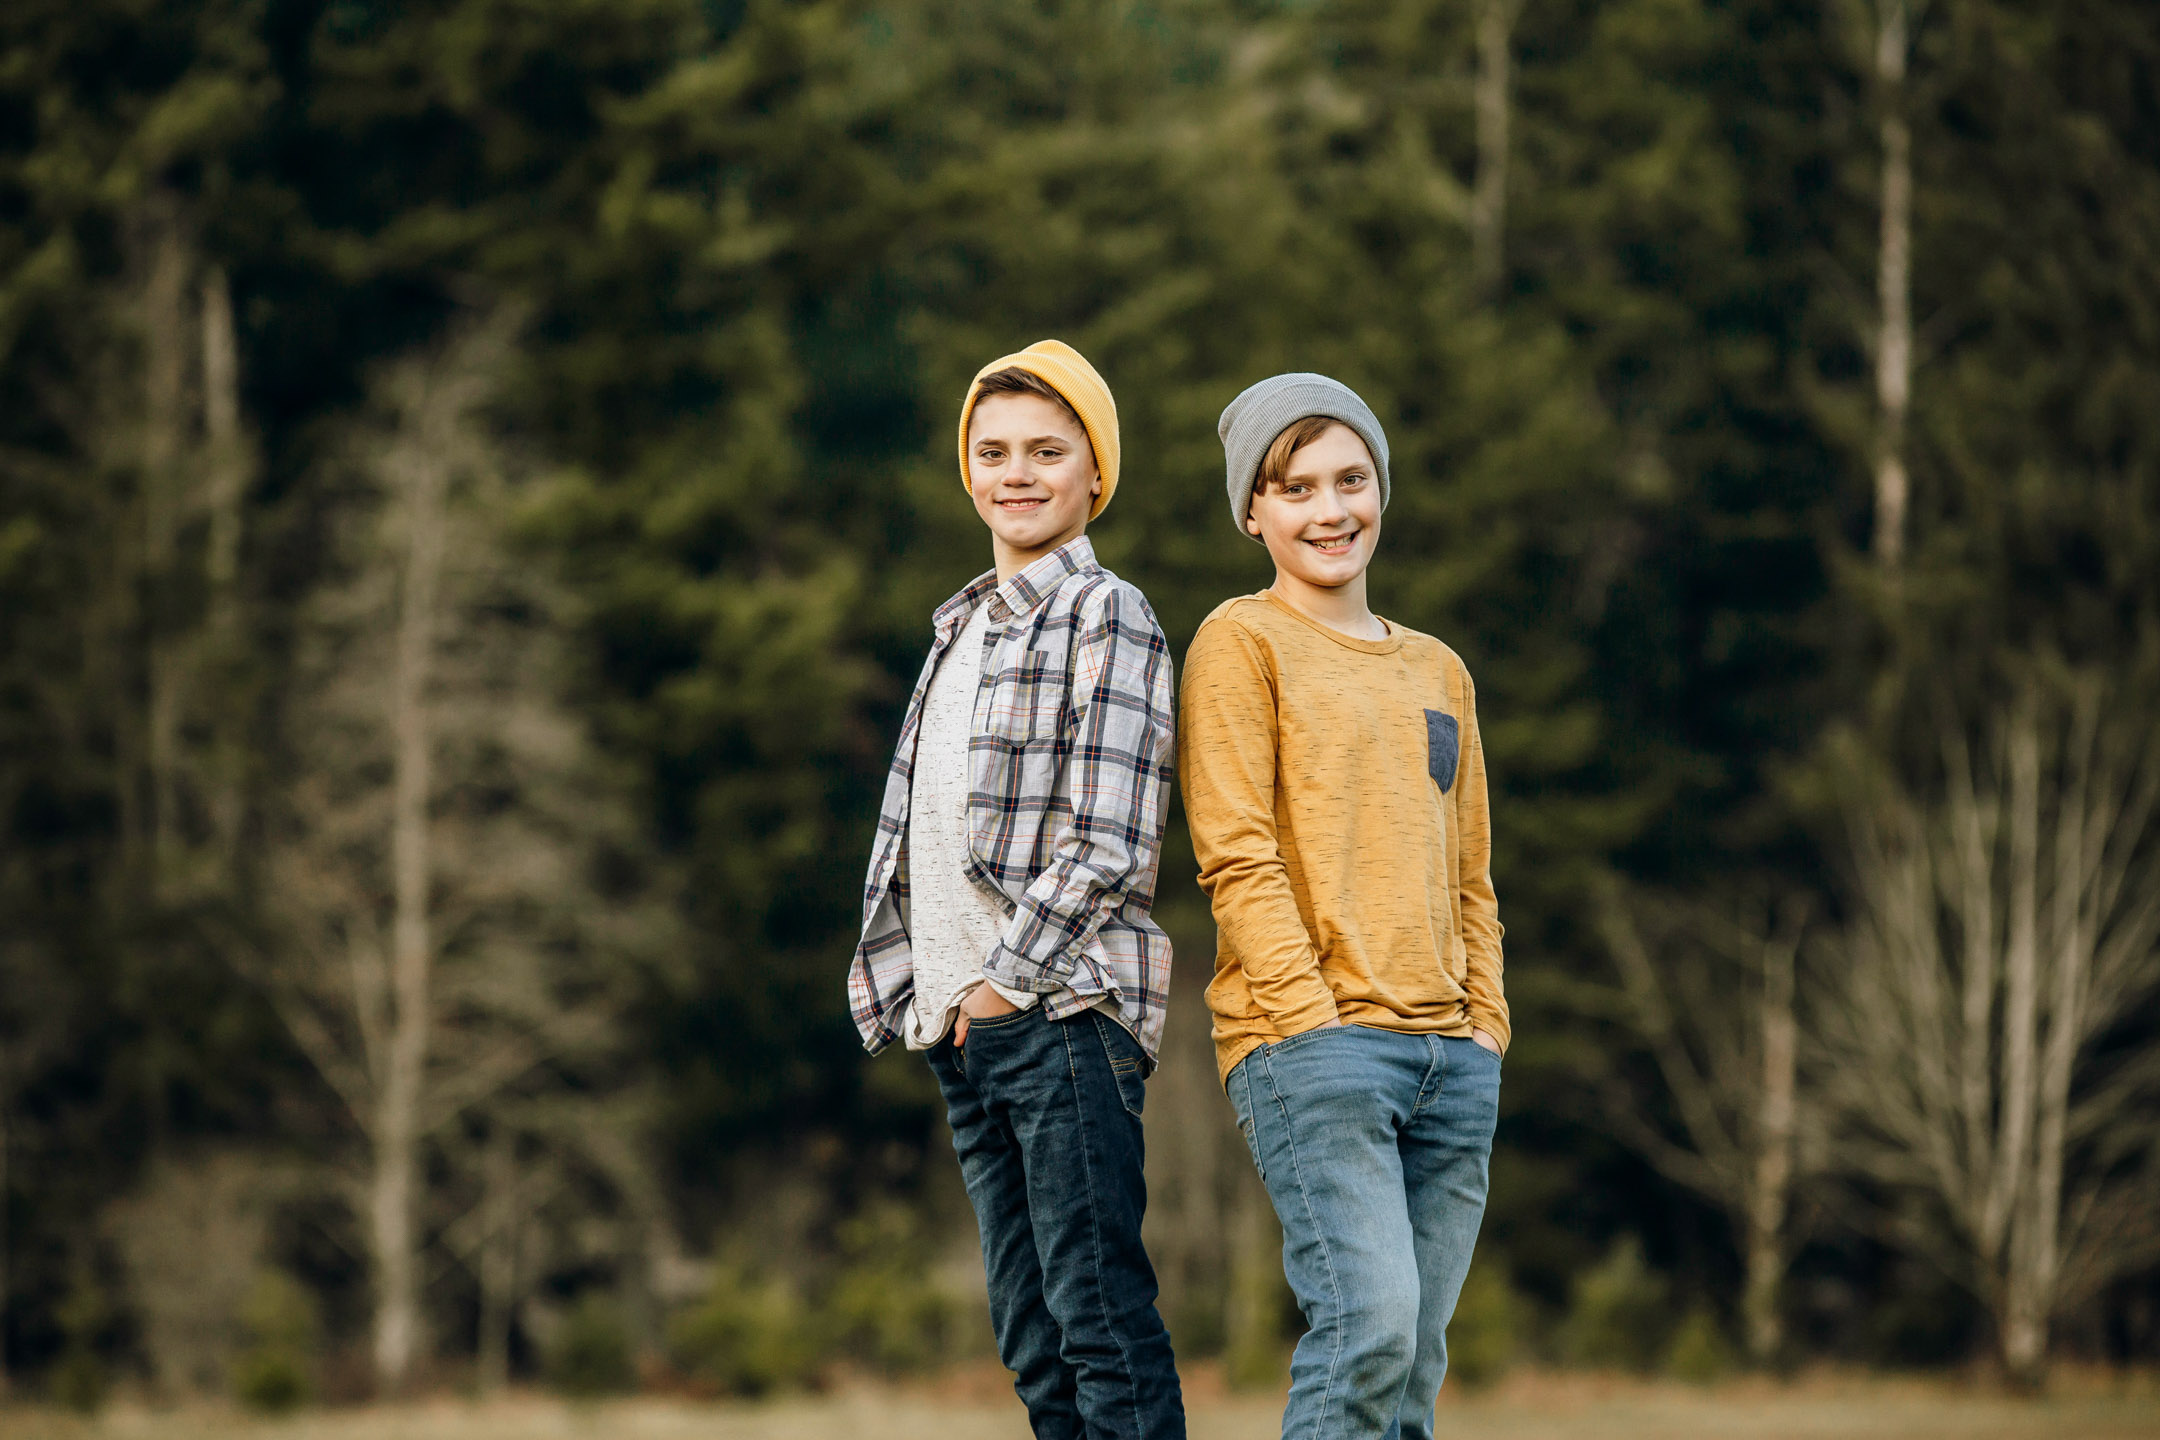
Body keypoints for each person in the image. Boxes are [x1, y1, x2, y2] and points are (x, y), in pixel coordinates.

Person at [846, 340, 1184, 1440]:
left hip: (1062, 1014)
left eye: (1048, 450)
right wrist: (935, 1000)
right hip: (961, 1029)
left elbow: (1113, 841)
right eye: (992, 452)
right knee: (1032, 1343)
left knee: (1099, 1324)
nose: (1017, 473)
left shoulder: (1104, 614)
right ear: (966, 471)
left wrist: (1004, 984)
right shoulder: (959, 629)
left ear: (1096, 473)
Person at [1178, 374, 1508, 1440]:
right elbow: (1236, 854)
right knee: (1368, 1328)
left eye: (1350, 480)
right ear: (1254, 513)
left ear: (1380, 487)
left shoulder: (1439, 670)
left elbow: (1471, 877)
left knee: (1411, 1367)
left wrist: (1486, 1031)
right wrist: (1312, 1024)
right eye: (1297, 487)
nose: (1331, 511)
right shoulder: (1241, 643)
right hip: (1312, 1046)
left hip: (1450, 1057)